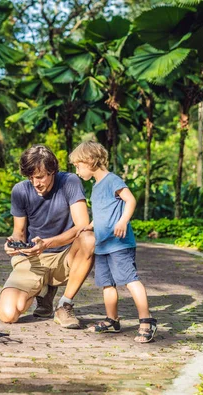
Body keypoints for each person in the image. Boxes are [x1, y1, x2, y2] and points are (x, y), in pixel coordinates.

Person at [69, 141, 157, 343]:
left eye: (78, 165)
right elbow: (102, 211)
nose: (77, 170)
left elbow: (131, 200)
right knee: (107, 284)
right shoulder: (96, 186)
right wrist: (90, 225)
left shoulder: (112, 180)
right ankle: (112, 320)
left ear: (90, 161)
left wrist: (123, 221)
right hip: (103, 245)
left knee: (130, 279)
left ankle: (147, 320)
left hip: (119, 244)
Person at [0, 144, 95, 329]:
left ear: (53, 171)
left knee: (89, 238)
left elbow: (82, 225)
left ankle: (65, 305)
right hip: (34, 259)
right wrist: (13, 243)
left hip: (65, 256)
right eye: (31, 178)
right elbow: (19, 232)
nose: (36, 183)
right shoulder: (20, 190)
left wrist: (48, 243)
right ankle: (43, 290)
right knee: (8, 314)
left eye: (40, 177)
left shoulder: (70, 182)